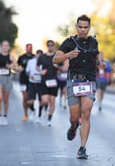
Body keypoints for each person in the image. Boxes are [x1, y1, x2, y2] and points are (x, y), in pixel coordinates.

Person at [52, 15, 105, 159]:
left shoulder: (94, 42)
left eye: (85, 27)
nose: (83, 30)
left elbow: (95, 59)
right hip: (74, 82)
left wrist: (100, 64)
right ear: (76, 27)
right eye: (80, 27)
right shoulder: (69, 42)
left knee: (86, 113)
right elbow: (55, 60)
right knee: (74, 117)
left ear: (89, 27)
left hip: (89, 82)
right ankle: (73, 126)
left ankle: (82, 148)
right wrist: (68, 54)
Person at [0, 40, 19, 126]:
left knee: (6, 100)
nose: (6, 47)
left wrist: (12, 66)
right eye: (4, 45)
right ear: (1, 46)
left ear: (9, 47)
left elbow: (17, 68)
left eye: (7, 46)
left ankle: (5, 117)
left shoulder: (11, 57)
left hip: (7, 79)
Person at [36, 40, 59, 126]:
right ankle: (39, 114)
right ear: (47, 46)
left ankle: (49, 118)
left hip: (54, 81)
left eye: (52, 45)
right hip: (44, 81)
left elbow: (62, 67)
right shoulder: (42, 56)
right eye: (49, 45)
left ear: (54, 46)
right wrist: (41, 71)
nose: (50, 47)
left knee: (52, 102)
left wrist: (58, 67)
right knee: (44, 100)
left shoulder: (57, 57)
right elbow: (37, 66)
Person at [17, 44, 35, 121]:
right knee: (25, 98)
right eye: (28, 48)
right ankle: (25, 114)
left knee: (31, 98)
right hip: (23, 80)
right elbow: (16, 67)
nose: (29, 49)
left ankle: (32, 110)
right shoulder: (21, 57)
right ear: (25, 49)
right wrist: (18, 69)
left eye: (30, 48)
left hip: (33, 80)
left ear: (32, 49)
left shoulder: (34, 57)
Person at [25, 49, 43, 121]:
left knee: (41, 101)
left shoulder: (44, 62)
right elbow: (27, 71)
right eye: (37, 54)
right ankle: (32, 110)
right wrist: (30, 75)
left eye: (40, 54)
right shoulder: (31, 62)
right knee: (30, 101)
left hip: (41, 83)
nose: (39, 55)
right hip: (32, 82)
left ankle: (39, 116)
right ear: (35, 54)